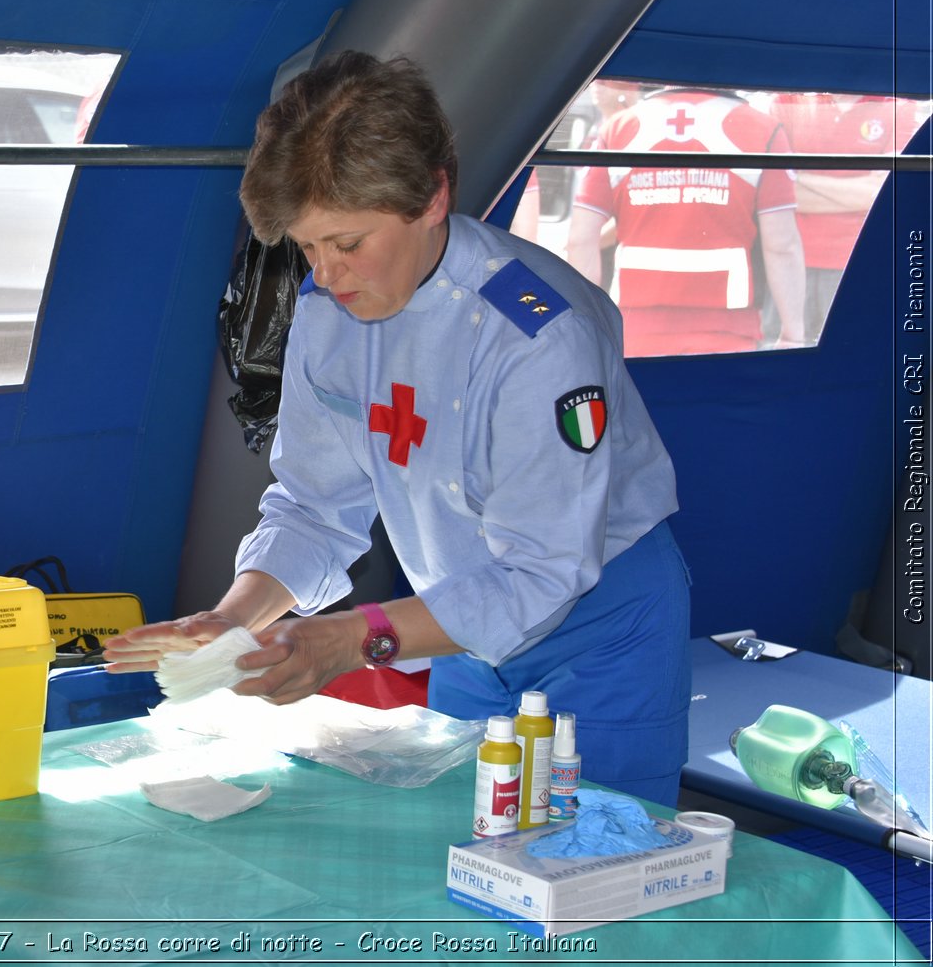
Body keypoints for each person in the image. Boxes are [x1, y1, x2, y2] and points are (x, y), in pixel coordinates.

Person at [105, 51, 690, 806]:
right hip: (452, 616)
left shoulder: (539, 337)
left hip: (600, 627)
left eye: (348, 244)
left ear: (432, 198)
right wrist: (232, 619)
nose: (326, 272)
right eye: (307, 246)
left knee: (596, 861)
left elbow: (544, 571)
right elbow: (315, 506)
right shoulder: (327, 316)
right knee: (456, 839)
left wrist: (350, 637)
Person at [565, 85, 806, 357]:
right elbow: (782, 244)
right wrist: (792, 334)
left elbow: (580, 239)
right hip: (728, 334)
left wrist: (590, 327)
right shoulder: (764, 130)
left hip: (634, 333)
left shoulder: (618, 129)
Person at [768, 92, 920, 343]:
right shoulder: (787, 101)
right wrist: (860, 191)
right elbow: (773, 191)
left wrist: (800, 182)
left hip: (859, 264)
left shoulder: (900, 105)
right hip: (788, 265)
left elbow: (888, 193)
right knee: (780, 361)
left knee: (851, 358)